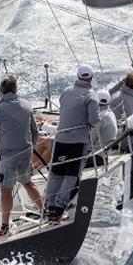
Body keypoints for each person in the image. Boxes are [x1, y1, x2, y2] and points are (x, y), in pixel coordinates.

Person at [0, 76, 44, 237]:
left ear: (1, 91)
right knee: (27, 183)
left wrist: (0, 129)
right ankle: (45, 212)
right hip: (26, 151)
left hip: (9, 155)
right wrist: (29, 147)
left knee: (6, 189)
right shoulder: (27, 105)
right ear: (16, 89)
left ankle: (5, 226)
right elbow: (35, 131)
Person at [43, 65, 100, 222]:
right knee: (70, 176)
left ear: (78, 76)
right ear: (91, 78)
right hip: (77, 142)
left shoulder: (66, 91)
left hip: (60, 139)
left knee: (56, 173)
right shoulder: (92, 96)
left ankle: (48, 206)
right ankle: (58, 211)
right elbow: (94, 121)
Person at [91, 89, 118, 156]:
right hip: (106, 151)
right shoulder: (110, 113)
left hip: (98, 154)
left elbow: (90, 140)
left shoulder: (100, 117)